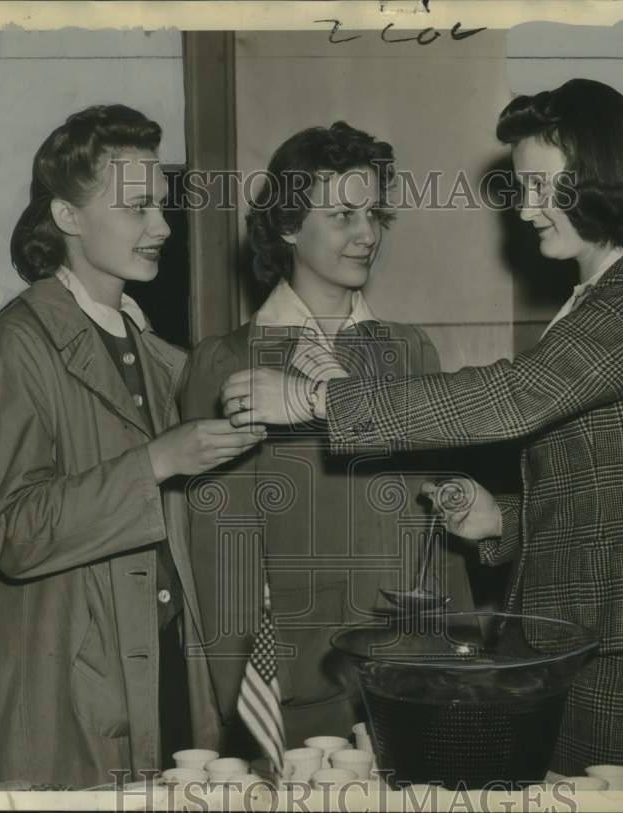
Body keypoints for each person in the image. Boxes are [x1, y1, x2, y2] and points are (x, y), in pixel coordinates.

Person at [220, 79, 623, 790]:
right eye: (521, 187)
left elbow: (516, 396)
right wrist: (500, 518)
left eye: (541, 186)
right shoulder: (600, 295)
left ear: (600, 175)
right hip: (574, 640)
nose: (524, 209)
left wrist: (314, 397)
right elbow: (604, 488)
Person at [0, 105, 264, 789]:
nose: (161, 227)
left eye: (161, 206)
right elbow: (14, 530)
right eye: (136, 208)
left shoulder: (153, 350)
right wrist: (158, 460)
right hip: (70, 686)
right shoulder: (18, 342)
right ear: (68, 216)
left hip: (160, 668)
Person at [180, 121, 475, 752]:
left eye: (374, 214)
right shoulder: (227, 362)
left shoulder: (410, 350)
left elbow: (445, 525)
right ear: (288, 226)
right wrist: (244, 712)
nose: (367, 235)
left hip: (414, 675)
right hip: (299, 692)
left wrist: (458, 660)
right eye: (342, 215)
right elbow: (223, 561)